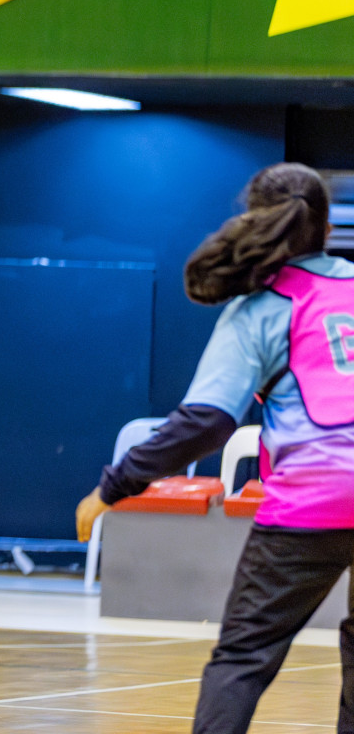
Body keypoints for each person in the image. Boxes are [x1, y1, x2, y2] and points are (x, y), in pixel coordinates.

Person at [75, 162, 354, 734]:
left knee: (244, 659)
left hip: (315, 500)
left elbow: (206, 422)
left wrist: (112, 487)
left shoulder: (259, 311)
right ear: (328, 231)